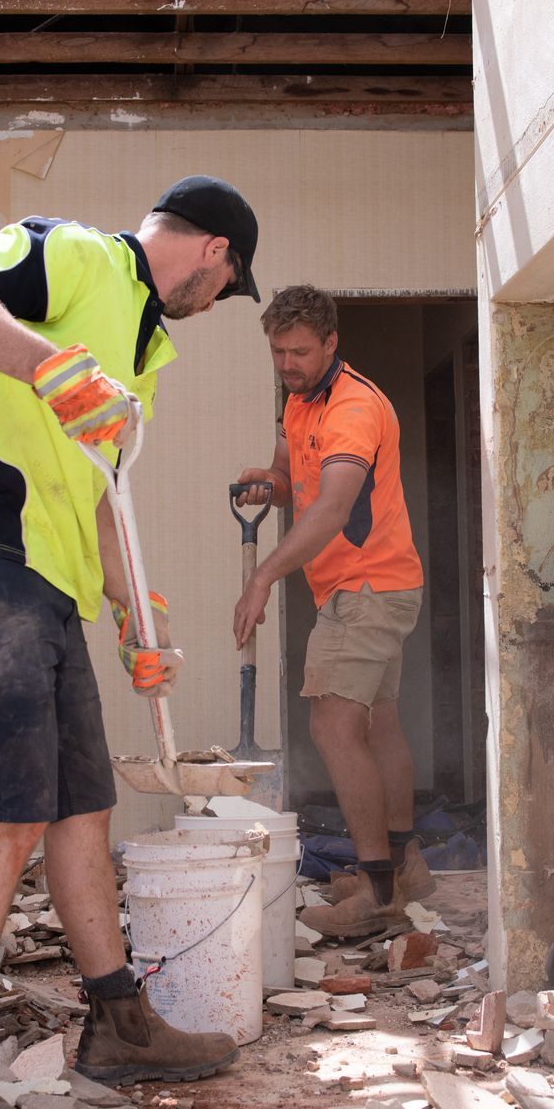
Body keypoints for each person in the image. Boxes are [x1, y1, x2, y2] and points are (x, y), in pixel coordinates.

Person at [0, 177, 262, 1109]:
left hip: (49, 585)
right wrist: (48, 362)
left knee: (81, 810)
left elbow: (104, 492)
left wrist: (134, 612)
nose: (218, 306)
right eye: (228, 287)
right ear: (215, 253)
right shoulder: (73, 252)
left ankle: (119, 1025)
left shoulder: (147, 346)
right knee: (16, 811)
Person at [231, 285, 434, 939]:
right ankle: (407, 869)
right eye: (276, 352)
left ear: (330, 345)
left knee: (332, 725)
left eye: (298, 352)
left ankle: (377, 893)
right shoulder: (300, 399)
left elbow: (332, 509)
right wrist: (270, 481)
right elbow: (296, 481)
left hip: (367, 587)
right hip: (371, 583)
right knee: (377, 723)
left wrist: (263, 576)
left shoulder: (354, 407)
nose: (286, 363)